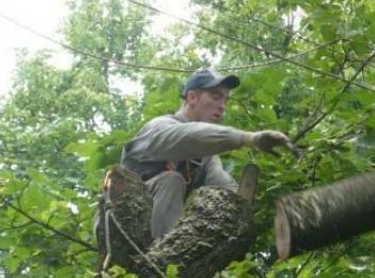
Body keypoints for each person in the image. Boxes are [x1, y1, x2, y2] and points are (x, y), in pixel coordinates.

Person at [120, 67, 292, 238]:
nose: (223, 106)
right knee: (171, 180)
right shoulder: (159, 127)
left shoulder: (206, 159)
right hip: (123, 223)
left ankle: (173, 253)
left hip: (159, 225)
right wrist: (249, 139)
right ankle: (163, 259)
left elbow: (225, 190)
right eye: (216, 97)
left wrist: (268, 211)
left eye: (226, 100)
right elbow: (190, 137)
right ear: (192, 97)